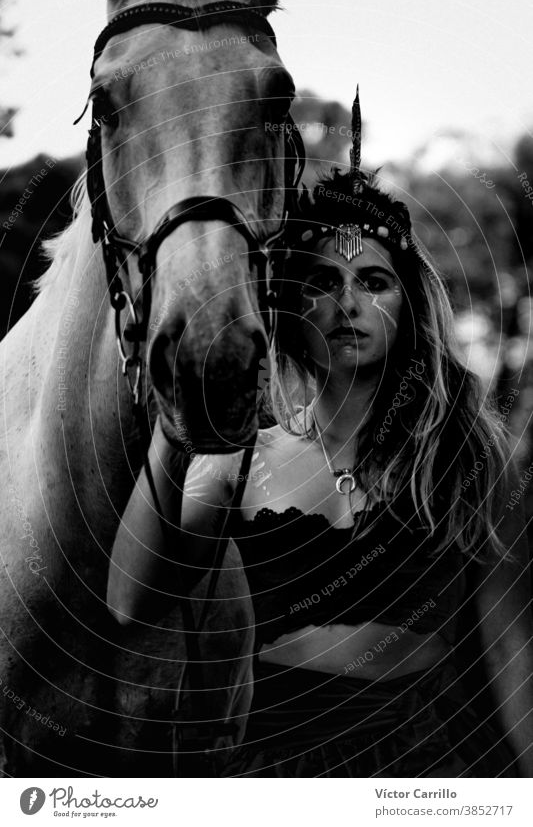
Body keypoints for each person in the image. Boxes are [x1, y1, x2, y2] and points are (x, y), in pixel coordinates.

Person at [107, 96, 533, 778]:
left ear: (409, 303)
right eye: (321, 283)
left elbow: (512, 641)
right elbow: (131, 600)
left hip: (425, 759)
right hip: (275, 761)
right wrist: (171, 439)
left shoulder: (468, 458)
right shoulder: (241, 462)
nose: (348, 305)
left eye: (373, 282)